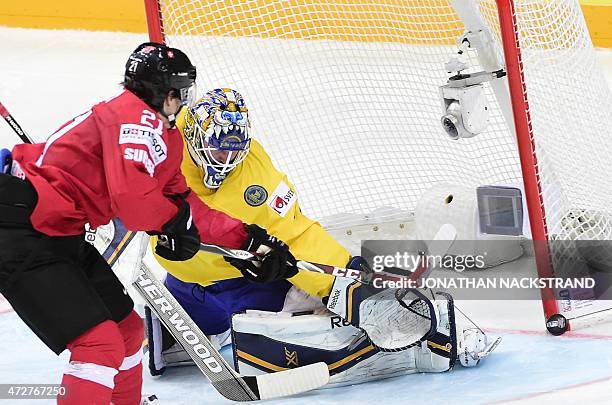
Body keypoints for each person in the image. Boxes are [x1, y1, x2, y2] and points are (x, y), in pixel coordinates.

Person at [0, 45, 292, 405]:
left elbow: (180, 203)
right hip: (21, 230)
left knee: (127, 330)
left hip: (58, 229)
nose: (184, 100)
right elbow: (134, 201)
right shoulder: (133, 118)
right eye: (181, 92)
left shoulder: (161, 133)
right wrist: (171, 223)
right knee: (97, 344)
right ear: (166, 93)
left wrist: (248, 242)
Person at [146, 88, 496, 385]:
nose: (229, 159)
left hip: (229, 281)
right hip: (188, 280)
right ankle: (193, 324)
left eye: (237, 150)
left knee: (294, 298)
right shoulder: (162, 155)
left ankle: (190, 328)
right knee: (283, 312)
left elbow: (295, 232)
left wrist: (344, 270)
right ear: (193, 138)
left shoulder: (255, 173)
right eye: (220, 149)